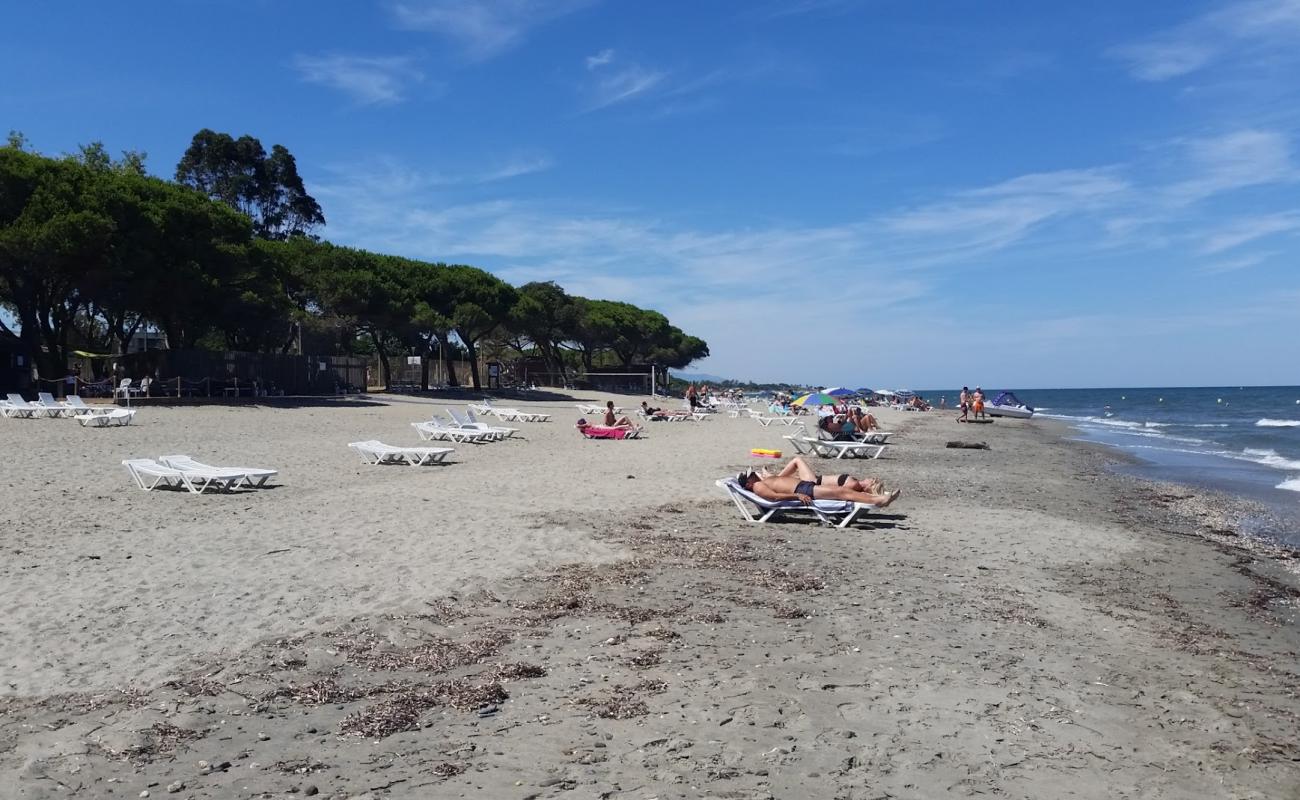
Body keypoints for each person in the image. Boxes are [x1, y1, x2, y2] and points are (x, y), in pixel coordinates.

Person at [740, 456, 899, 507]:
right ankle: (878, 500)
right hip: (803, 490)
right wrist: (797, 495)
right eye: (751, 476)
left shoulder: (760, 482)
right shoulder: (757, 486)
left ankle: (877, 498)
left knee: (842, 492)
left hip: (804, 486)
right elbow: (774, 497)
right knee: (841, 492)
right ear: (748, 483)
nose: (753, 475)